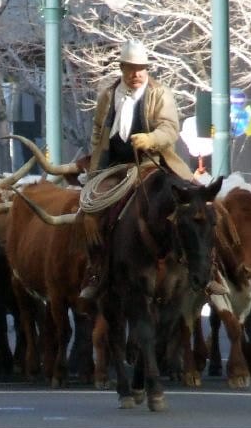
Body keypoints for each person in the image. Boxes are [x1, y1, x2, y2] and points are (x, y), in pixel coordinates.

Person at [76, 39, 195, 302]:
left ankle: (208, 272)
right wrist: (98, 157)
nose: (136, 74)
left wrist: (151, 139)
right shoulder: (108, 94)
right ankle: (96, 270)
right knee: (91, 209)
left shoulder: (159, 93)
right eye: (131, 68)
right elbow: (98, 131)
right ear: (121, 67)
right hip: (116, 167)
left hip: (153, 164)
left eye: (141, 68)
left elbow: (170, 128)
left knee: (197, 203)